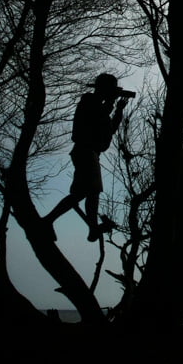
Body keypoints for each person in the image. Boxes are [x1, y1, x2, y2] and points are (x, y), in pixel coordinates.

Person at [46, 73, 129, 240]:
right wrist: (111, 103)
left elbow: (109, 129)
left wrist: (118, 110)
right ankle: (88, 227)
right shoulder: (89, 101)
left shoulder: (100, 106)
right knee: (92, 191)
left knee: (84, 193)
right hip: (85, 151)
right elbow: (96, 118)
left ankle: (55, 221)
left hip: (90, 153)